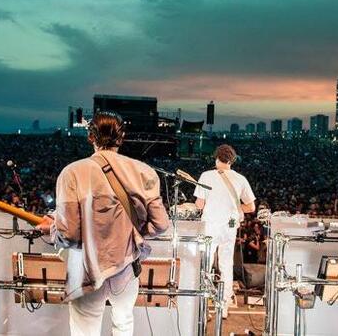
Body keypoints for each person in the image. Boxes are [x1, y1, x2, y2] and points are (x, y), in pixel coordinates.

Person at [37, 111, 169, 336]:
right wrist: (132, 233)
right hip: (127, 268)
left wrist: (50, 229)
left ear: (91, 137)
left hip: (87, 268)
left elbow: (68, 235)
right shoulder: (144, 171)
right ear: (122, 137)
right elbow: (161, 225)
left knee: (84, 331)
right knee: (124, 325)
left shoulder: (72, 173)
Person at [194, 144, 256, 318]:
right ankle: (224, 305)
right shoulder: (240, 179)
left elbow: (199, 204)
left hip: (210, 226)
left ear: (216, 158)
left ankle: (203, 305)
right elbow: (251, 206)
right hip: (229, 226)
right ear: (232, 160)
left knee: (205, 264)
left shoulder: (206, 176)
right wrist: (236, 209)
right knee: (226, 264)